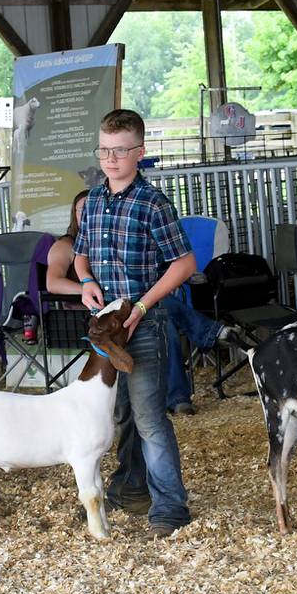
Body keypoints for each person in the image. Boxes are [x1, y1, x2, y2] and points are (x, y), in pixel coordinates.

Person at [73, 109, 197, 539]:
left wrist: (142, 307)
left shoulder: (153, 202)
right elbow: (80, 253)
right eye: (104, 150)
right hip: (105, 325)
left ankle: (171, 506)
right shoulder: (91, 201)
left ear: (139, 153)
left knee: (148, 418)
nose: (110, 158)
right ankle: (131, 488)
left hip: (144, 322)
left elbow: (184, 264)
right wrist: (86, 281)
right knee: (119, 413)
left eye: (120, 151)